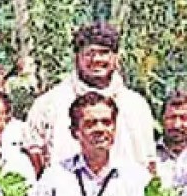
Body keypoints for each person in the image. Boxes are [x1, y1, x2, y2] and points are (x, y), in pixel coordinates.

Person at [26, 22, 156, 171]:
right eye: (89, 53)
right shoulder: (49, 104)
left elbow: (149, 162)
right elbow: (34, 156)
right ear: (77, 58)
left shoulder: (136, 105)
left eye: (104, 52)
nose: (97, 60)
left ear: (116, 57)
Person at [31, 92, 154, 196]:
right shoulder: (54, 178)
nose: (100, 129)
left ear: (115, 129)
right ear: (74, 132)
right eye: (90, 123)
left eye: (106, 122)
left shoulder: (136, 177)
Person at [157, 90, 187, 196]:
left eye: (184, 118)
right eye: (171, 118)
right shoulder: (148, 157)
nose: (177, 125)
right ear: (162, 119)